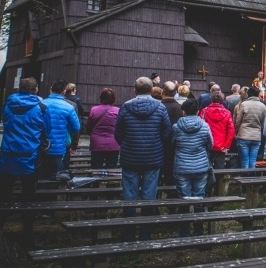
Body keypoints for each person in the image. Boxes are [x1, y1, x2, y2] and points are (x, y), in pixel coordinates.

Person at [115, 76, 172, 242]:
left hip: (130, 157)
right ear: (151, 90)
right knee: (149, 195)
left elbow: (118, 133)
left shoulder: (125, 107)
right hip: (153, 157)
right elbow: (166, 132)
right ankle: (146, 233)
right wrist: (157, 146)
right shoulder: (160, 108)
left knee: (129, 195)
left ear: (135, 90)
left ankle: (129, 234)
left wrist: (127, 145)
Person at [0, 77, 50, 246]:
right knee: (28, 198)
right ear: (36, 90)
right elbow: (46, 129)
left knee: (4, 195)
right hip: (29, 157)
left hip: (8, 154)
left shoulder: (9, 104)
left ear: (19, 88)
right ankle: (27, 235)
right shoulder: (41, 107)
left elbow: (5, 122)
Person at [172, 99, 213, 236]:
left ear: (183, 111)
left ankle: (184, 231)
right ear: (197, 111)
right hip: (201, 166)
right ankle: (199, 230)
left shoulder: (176, 127)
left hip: (182, 166)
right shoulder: (205, 126)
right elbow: (210, 145)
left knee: (183, 199)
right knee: (199, 199)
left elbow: (172, 144)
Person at [41, 79, 81, 179]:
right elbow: (76, 127)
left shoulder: (41, 104)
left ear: (51, 89)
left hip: (41, 147)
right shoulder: (69, 107)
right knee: (55, 176)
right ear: (63, 92)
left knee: (41, 176)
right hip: (58, 148)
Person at [199, 90, 234, 169]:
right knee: (220, 168)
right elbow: (231, 130)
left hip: (207, 143)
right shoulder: (227, 113)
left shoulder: (204, 111)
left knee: (206, 167)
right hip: (221, 145)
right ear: (222, 100)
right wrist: (226, 145)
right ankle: (219, 181)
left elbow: (200, 127)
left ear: (211, 99)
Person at [86, 88, 120, 169]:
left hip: (96, 143)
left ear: (101, 97)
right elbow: (120, 127)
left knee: (96, 168)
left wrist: (92, 134)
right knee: (112, 170)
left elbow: (88, 126)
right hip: (113, 143)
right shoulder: (118, 111)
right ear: (113, 98)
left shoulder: (94, 109)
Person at [234, 86, 266, 169]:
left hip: (244, 134)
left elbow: (238, 121)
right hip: (256, 136)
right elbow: (263, 122)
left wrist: (237, 130)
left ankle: (244, 179)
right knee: (253, 160)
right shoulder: (263, 106)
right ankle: (251, 180)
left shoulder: (244, 104)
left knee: (244, 160)